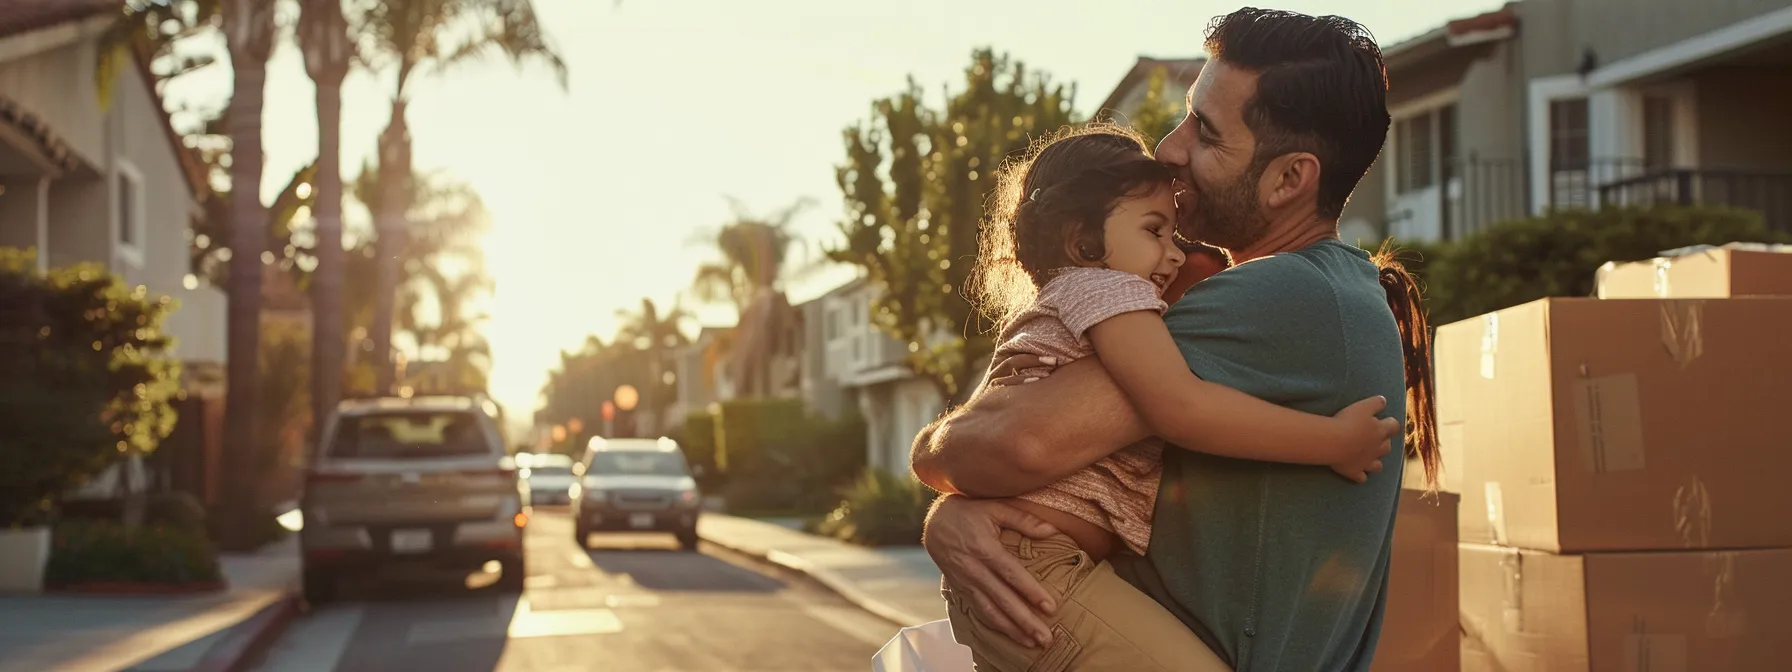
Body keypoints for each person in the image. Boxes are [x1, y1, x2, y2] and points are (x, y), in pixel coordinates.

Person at [912, 8, 1441, 671]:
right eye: (1190, 115)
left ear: (1289, 179)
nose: (1169, 147)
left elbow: (1019, 443)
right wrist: (953, 503)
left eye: (1208, 133)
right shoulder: (1320, 291)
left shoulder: (1278, 297)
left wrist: (949, 504)